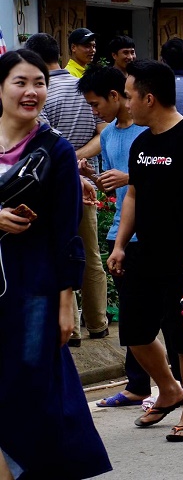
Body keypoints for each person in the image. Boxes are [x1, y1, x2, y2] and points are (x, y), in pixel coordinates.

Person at [0, 49, 112, 479]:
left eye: (39, 83)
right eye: (20, 82)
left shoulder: (57, 152)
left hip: (34, 289)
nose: (31, 92)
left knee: (31, 385)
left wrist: (67, 302)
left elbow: (67, 234)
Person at [106, 59, 183, 440]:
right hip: (145, 252)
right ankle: (168, 389)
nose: (126, 103)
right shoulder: (141, 143)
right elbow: (133, 196)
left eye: (128, 95)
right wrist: (121, 244)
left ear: (149, 98)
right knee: (135, 332)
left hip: (182, 257)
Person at [76, 65, 166, 408]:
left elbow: (156, 178)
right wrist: (93, 177)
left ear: (118, 96)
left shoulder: (149, 133)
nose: (94, 111)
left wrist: (127, 178)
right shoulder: (110, 135)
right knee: (131, 316)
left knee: (154, 315)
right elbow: (117, 188)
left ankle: (171, 384)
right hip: (123, 231)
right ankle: (138, 384)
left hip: (154, 232)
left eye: (97, 104)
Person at [26, 32, 109, 345]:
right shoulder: (84, 89)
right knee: (91, 253)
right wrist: (78, 159)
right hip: (87, 180)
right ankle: (99, 324)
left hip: (53, 183)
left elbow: (47, 138)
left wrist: (66, 160)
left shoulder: (43, 93)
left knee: (61, 249)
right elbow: (103, 134)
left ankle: (71, 328)